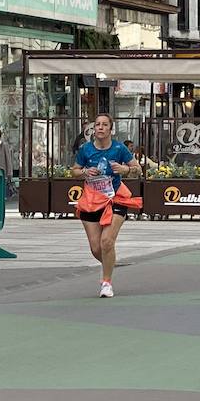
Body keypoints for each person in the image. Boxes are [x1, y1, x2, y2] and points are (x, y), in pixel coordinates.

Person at [72, 113, 141, 297]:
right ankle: (109, 262)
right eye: (97, 125)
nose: (100, 128)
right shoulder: (86, 149)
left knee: (107, 241)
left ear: (111, 128)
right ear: (94, 129)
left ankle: (106, 283)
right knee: (96, 248)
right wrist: (86, 171)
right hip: (92, 200)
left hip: (115, 198)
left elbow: (138, 169)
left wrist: (125, 169)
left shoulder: (119, 149)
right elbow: (74, 171)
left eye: (104, 125)